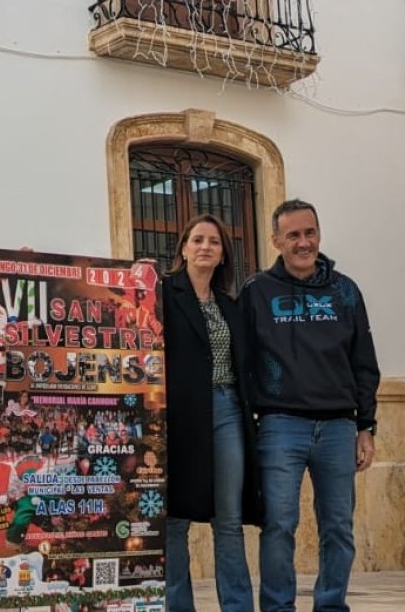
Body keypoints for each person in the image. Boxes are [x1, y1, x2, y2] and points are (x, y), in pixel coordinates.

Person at [240, 199, 380, 612]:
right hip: (281, 425)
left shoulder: (345, 290)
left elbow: (364, 361)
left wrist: (366, 425)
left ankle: (331, 605)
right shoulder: (257, 291)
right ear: (276, 240)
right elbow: (243, 362)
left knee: (338, 527)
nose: (304, 242)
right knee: (279, 525)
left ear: (318, 234)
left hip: (338, 427)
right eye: (294, 235)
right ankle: (278, 607)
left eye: (310, 232)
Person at [161, 214, 261, 612]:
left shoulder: (231, 306)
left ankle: (237, 606)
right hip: (177, 416)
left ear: (223, 256)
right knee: (173, 520)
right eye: (197, 240)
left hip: (227, 410)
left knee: (229, 519)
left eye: (214, 242)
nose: (205, 247)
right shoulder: (161, 294)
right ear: (183, 248)